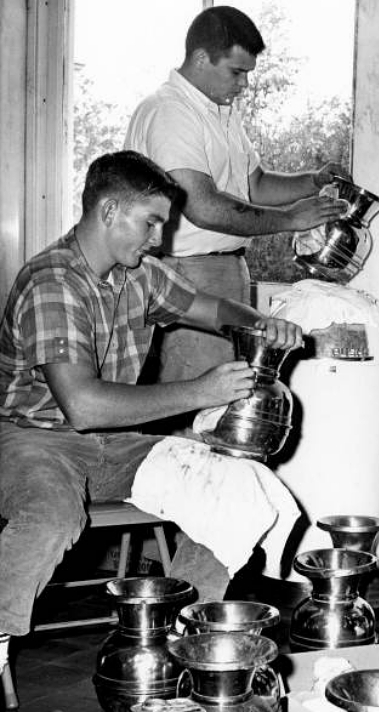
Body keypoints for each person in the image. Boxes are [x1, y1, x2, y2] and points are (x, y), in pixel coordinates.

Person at [0, 150, 303, 668]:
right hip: (33, 440)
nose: (158, 238)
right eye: (152, 222)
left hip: (114, 443)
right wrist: (199, 392)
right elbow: (83, 407)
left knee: (232, 484)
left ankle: (174, 636)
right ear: (110, 211)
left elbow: (213, 309)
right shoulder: (53, 281)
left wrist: (257, 323)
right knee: (53, 514)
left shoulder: (138, 275)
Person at [124, 5, 349, 404]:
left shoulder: (219, 113)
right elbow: (202, 206)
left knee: (223, 404)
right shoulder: (171, 111)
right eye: (236, 71)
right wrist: (289, 220)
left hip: (223, 272)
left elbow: (255, 185)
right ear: (200, 59)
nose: (244, 84)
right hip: (187, 274)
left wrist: (312, 183)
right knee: (199, 410)